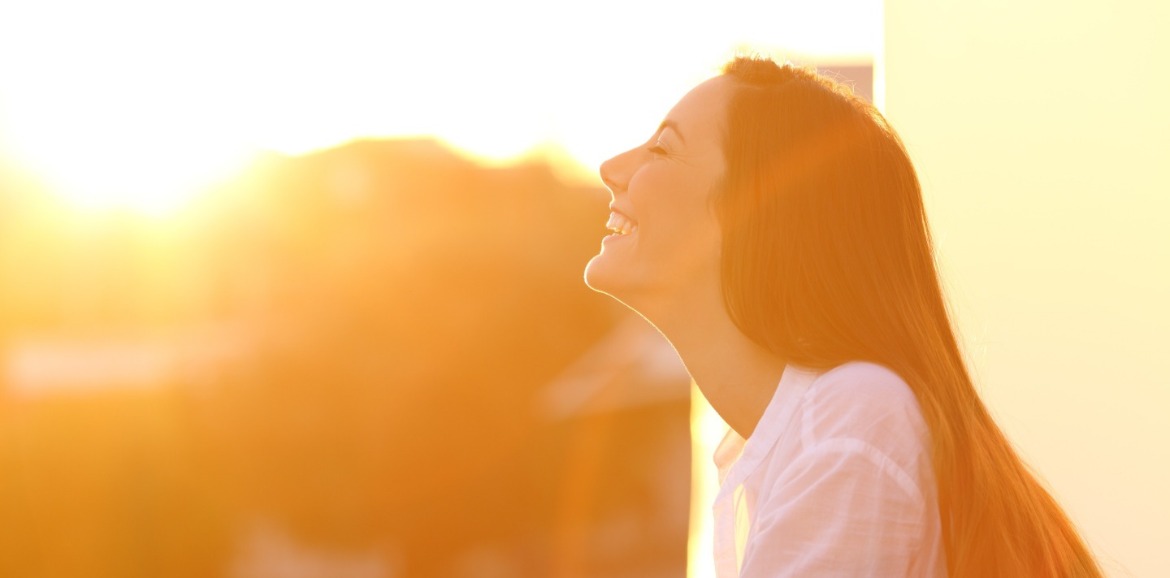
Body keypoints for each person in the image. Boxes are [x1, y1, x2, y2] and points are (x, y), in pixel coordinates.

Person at [583, 56, 1104, 578]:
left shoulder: (850, 423)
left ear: (756, 210)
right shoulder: (796, 439)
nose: (612, 169)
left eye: (662, 148)